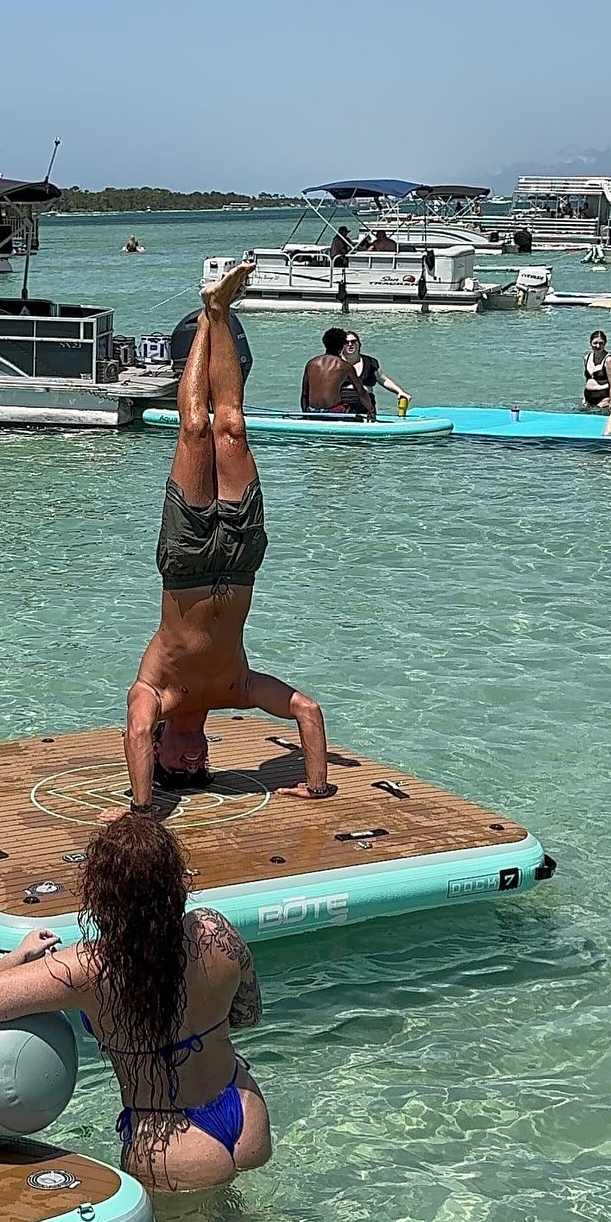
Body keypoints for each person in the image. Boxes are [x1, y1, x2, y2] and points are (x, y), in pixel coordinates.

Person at [0, 811, 269, 1222]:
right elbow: (249, 1014)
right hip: (242, 1109)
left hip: (172, 1142)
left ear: (101, 896)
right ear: (175, 880)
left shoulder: (89, 967)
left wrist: (19, 954)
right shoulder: (213, 931)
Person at [128, 263, 333, 812]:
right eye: (201, 770)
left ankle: (209, 314)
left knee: (196, 428)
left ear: (158, 751)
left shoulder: (156, 694)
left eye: (179, 769)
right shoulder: (235, 689)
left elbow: (135, 734)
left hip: (186, 562)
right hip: (241, 562)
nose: (193, 764)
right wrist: (315, 786)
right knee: (233, 427)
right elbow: (308, 711)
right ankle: (217, 310)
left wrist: (143, 809)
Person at [300, 328, 376, 417]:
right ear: (342, 346)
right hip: (334, 412)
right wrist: (370, 410)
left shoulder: (311, 364)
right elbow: (361, 392)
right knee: (357, 414)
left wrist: (306, 414)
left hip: (313, 411)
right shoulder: (345, 366)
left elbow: (304, 394)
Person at [338, 331, 410, 414]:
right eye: (346, 342)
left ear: (359, 344)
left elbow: (383, 380)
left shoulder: (370, 362)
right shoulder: (334, 363)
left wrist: (400, 391)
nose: (350, 344)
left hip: (366, 405)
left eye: (353, 341)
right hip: (342, 405)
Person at [582, 331, 611, 409]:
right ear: (590, 343)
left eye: (601, 343)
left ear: (605, 343)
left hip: (603, 398)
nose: (598, 346)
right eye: (595, 343)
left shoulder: (609, 360)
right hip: (588, 398)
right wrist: (584, 398)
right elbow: (588, 380)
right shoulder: (587, 358)